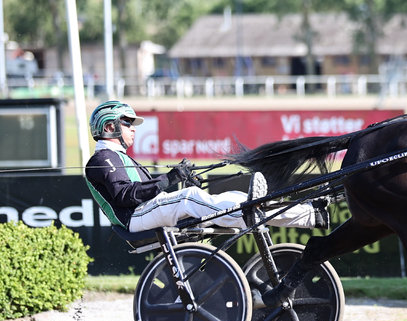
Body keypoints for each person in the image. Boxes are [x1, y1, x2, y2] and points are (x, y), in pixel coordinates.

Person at [84, 100, 328, 233]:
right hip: (133, 218)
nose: (134, 128)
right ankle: (246, 212)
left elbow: (141, 188)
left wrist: (178, 178)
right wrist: (170, 179)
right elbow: (126, 195)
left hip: (144, 212)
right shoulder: (102, 159)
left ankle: (306, 215)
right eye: (127, 123)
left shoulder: (118, 157)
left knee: (233, 196)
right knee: (190, 197)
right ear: (108, 127)